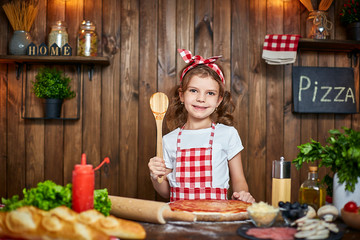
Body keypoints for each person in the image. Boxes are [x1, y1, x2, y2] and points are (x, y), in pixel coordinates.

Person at [148, 49, 255, 203]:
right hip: (180, 220)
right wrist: (155, 176)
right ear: (182, 95)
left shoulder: (228, 134)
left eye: (210, 93)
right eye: (193, 91)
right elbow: (165, 193)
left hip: (216, 219)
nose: (201, 99)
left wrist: (242, 194)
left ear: (218, 100)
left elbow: (239, 181)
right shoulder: (168, 140)